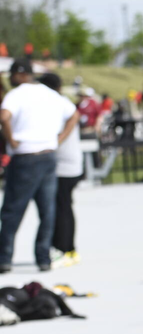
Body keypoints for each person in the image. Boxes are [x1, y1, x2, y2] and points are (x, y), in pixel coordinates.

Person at [0, 60, 78, 273]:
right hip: (48, 155)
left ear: (20, 74)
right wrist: (59, 139)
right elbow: (74, 115)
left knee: (12, 211)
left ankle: (4, 258)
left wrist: (11, 142)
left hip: (25, 156)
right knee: (47, 210)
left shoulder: (16, 95)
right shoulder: (50, 94)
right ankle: (43, 258)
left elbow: (4, 117)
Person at [38, 74, 83, 267]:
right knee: (63, 207)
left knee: (62, 208)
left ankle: (66, 249)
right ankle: (67, 249)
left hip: (64, 165)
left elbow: (61, 127)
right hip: (68, 164)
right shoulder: (60, 102)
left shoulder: (56, 103)